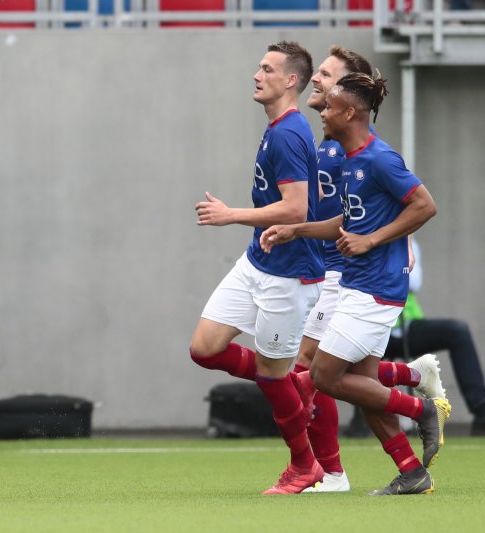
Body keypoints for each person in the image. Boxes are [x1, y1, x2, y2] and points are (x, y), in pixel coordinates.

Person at [261, 72, 451, 495]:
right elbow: (347, 222)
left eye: (328, 106)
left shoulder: (380, 158)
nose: (322, 112)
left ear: (349, 112)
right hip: (356, 283)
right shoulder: (349, 159)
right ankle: (411, 472)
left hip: (376, 289)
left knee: (324, 375)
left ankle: (420, 410)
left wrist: (373, 240)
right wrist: (298, 230)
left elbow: (425, 206)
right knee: (366, 389)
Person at [190, 41, 326, 494]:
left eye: (267, 69)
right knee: (205, 349)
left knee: (271, 376)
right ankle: (290, 381)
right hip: (258, 261)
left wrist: (230, 215)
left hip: (288, 276)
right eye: (258, 66)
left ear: (291, 80)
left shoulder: (288, 133)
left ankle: (305, 467)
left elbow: (296, 209)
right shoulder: (277, 127)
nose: (256, 74)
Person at [347, 240, 485, 437]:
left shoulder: (407, 241)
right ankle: (361, 416)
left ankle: (481, 411)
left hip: (406, 326)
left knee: (458, 330)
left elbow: (414, 280)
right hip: (370, 327)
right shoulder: (357, 234)